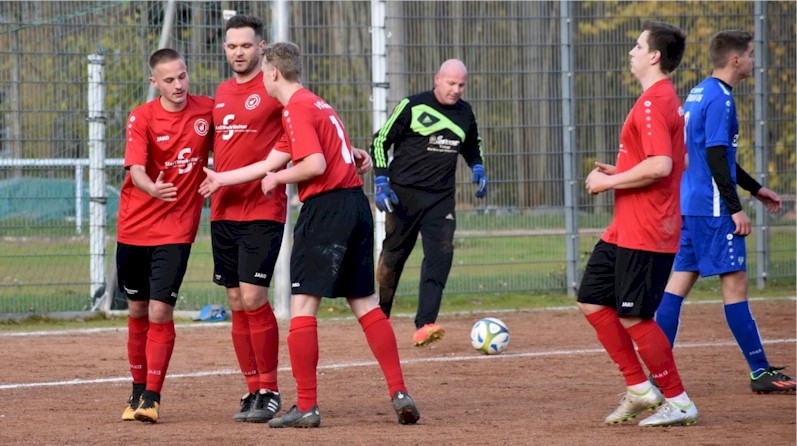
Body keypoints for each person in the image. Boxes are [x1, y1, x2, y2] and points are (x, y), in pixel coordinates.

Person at [198, 41, 420, 429]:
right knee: (365, 302)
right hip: (354, 206)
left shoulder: (295, 109)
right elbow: (272, 161)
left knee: (303, 309)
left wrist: (280, 179)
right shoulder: (317, 104)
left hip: (326, 210)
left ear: (272, 73)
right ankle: (399, 391)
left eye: (263, 71)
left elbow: (312, 164)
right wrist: (221, 178)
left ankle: (306, 406)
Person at [655, 30, 795, 394]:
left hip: (692, 205)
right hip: (715, 210)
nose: (753, 60)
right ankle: (760, 371)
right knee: (735, 287)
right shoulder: (722, 99)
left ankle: (655, 372)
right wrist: (736, 209)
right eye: (750, 54)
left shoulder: (700, 92)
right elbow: (716, 156)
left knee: (677, 286)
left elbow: (710, 154)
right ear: (735, 60)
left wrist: (755, 188)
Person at [578, 21, 699, 427]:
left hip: (647, 228)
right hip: (626, 226)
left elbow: (663, 164)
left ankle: (678, 399)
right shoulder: (662, 99)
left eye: (637, 45)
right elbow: (670, 163)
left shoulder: (654, 101)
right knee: (592, 297)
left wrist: (608, 181)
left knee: (633, 316)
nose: (631, 51)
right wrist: (626, 168)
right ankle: (639, 388)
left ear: (654, 56)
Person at [117, 48, 214, 423]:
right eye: (169, 80)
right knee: (138, 310)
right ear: (154, 82)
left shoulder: (207, 110)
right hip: (134, 227)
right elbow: (137, 170)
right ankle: (137, 389)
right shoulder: (141, 117)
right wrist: (152, 189)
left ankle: (152, 397)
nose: (178, 85)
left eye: (182, 76)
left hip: (175, 229)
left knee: (160, 310)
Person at [371, 58, 487, 347]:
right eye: (451, 83)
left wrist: (478, 167)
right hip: (403, 195)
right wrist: (381, 181)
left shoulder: (465, 113)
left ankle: (425, 324)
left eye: (461, 84)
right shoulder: (412, 105)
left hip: (441, 199)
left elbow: (472, 145)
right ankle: (379, 317)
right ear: (437, 79)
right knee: (394, 256)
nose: (456, 89)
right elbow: (379, 141)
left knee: (441, 255)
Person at [212, 14, 287, 423]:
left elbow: (309, 119)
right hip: (223, 210)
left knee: (255, 297)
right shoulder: (221, 93)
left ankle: (271, 389)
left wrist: (352, 152)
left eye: (245, 45)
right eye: (231, 46)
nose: (238, 52)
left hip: (262, 208)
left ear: (261, 47)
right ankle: (252, 388)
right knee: (236, 300)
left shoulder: (274, 88)